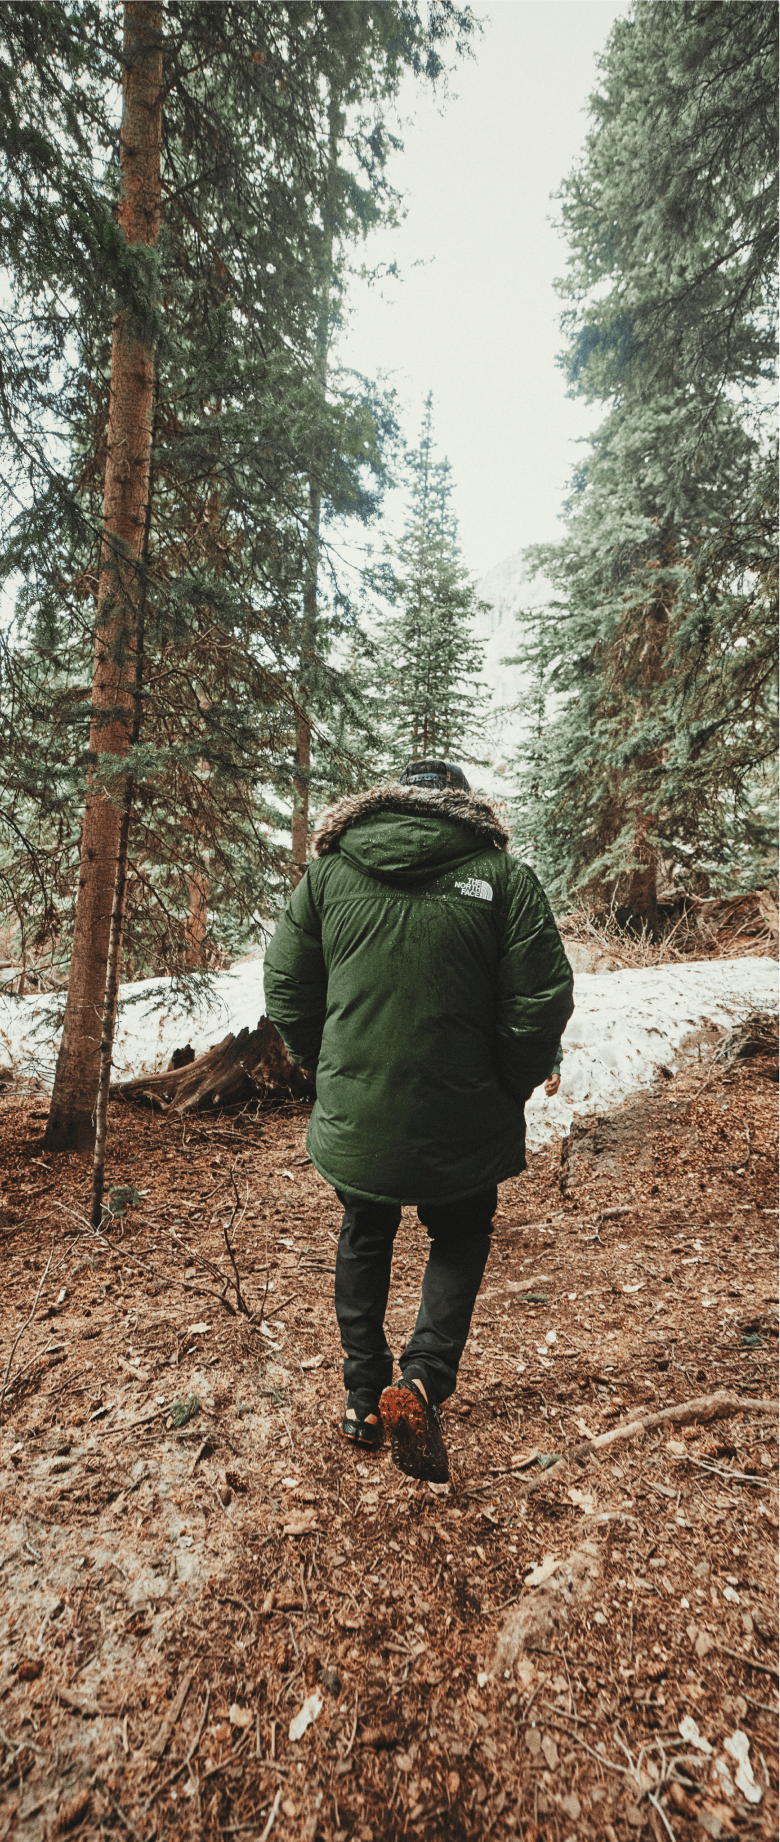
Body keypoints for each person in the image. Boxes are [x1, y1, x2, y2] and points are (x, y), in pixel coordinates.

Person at [263, 760, 574, 1482]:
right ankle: (424, 1378)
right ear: (463, 806)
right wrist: (506, 1085)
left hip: (358, 1111)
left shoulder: (329, 873)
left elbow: (285, 983)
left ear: (393, 800)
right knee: (460, 1231)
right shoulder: (503, 877)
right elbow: (540, 1000)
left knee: (364, 1231)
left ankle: (363, 1396)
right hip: (466, 1108)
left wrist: (325, 1067)